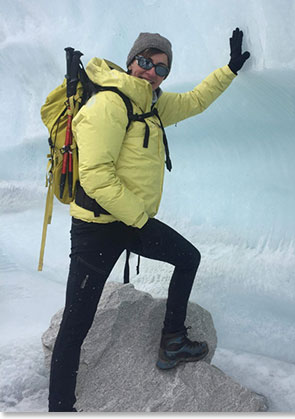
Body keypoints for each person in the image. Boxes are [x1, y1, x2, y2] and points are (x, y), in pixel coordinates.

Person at [48, 28, 250, 412]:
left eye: (161, 68)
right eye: (146, 62)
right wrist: (140, 219)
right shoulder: (109, 104)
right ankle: (60, 407)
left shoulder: (151, 104)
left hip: (129, 221)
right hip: (95, 228)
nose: (151, 72)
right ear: (131, 62)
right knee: (76, 325)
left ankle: (172, 339)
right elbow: (95, 177)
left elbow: (194, 101)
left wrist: (230, 69)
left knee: (188, 258)